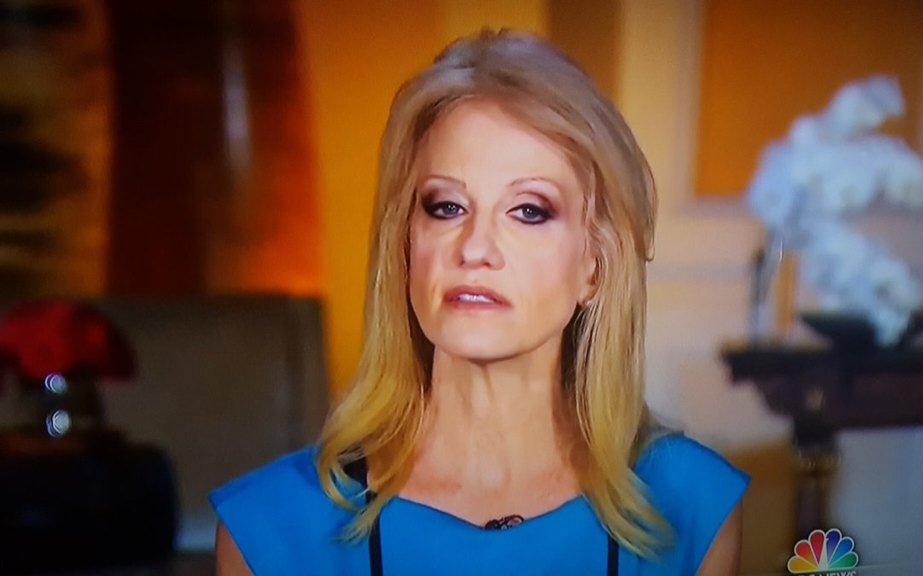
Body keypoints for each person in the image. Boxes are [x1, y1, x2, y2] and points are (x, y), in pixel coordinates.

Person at [211, 29, 748, 575]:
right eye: (446, 207)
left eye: (529, 211)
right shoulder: (271, 530)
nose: (474, 248)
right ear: (406, 244)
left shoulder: (690, 509)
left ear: (595, 266)